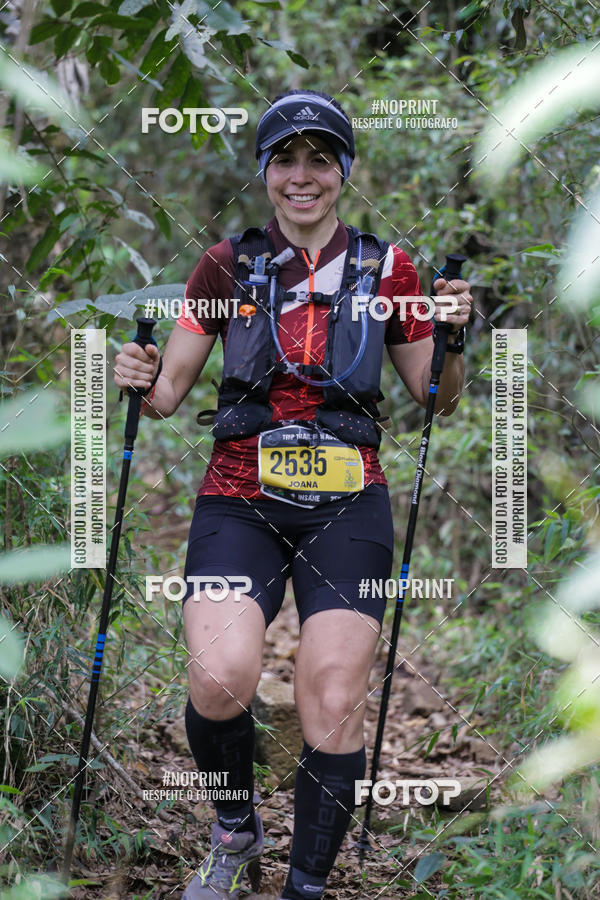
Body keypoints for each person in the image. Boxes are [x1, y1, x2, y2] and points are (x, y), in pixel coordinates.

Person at [114, 89, 472, 900]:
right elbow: (166, 390)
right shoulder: (225, 265)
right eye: (285, 159)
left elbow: (436, 397)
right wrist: (129, 373)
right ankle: (236, 831)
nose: (301, 177)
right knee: (217, 674)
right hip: (239, 495)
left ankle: (306, 883)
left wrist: (454, 336)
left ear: (343, 171)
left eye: (319, 159)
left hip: (349, 503)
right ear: (265, 171)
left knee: (336, 694)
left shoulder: (391, 268)